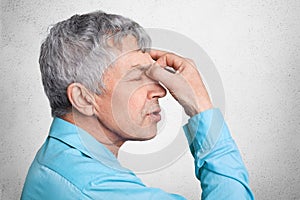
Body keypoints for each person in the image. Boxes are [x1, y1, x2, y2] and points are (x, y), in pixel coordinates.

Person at [21, 10, 254, 200]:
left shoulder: (60, 161)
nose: (161, 90)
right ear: (83, 99)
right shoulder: (93, 187)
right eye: (136, 77)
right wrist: (200, 106)